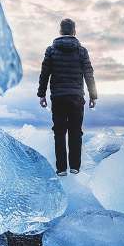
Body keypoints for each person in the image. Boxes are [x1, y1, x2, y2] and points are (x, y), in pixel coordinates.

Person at [37, 18, 97, 176]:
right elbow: (88, 74)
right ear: (74, 31)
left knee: (59, 132)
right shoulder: (81, 51)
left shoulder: (51, 50)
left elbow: (45, 74)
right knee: (75, 132)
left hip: (58, 97)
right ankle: (75, 167)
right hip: (76, 97)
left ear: (60, 31)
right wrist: (93, 95)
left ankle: (61, 168)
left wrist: (42, 94)